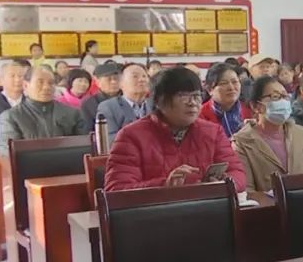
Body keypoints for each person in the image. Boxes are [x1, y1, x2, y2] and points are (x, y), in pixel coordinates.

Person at [104, 67, 246, 191]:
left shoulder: (213, 132)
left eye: (196, 96)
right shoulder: (131, 136)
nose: (192, 103)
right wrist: (165, 186)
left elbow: (237, 173)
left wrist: (224, 184)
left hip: (206, 208)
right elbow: (116, 190)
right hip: (157, 211)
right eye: (183, 96)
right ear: (159, 101)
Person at [232, 76, 303, 192]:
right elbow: (247, 190)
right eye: (275, 97)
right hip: (267, 203)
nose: (283, 101)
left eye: (285, 96)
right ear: (255, 106)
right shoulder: (242, 142)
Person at [0, 66, 88, 156]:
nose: (46, 87)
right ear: (25, 85)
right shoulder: (12, 117)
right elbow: (8, 152)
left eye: (51, 83)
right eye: (40, 82)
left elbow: (83, 149)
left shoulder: (73, 114)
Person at [97, 63, 152, 139]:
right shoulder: (108, 107)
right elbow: (109, 139)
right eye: (135, 76)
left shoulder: (156, 105)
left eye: (144, 76)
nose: (141, 80)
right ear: (121, 84)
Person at [199, 63, 252, 138]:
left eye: (235, 82)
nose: (231, 87)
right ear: (209, 89)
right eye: (223, 83)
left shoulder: (250, 110)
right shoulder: (199, 115)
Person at [81, 63, 122, 127]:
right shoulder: (89, 103)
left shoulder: (128, 98)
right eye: (109, 79)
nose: (113, 82)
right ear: (98, 82)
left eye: (116, 78)